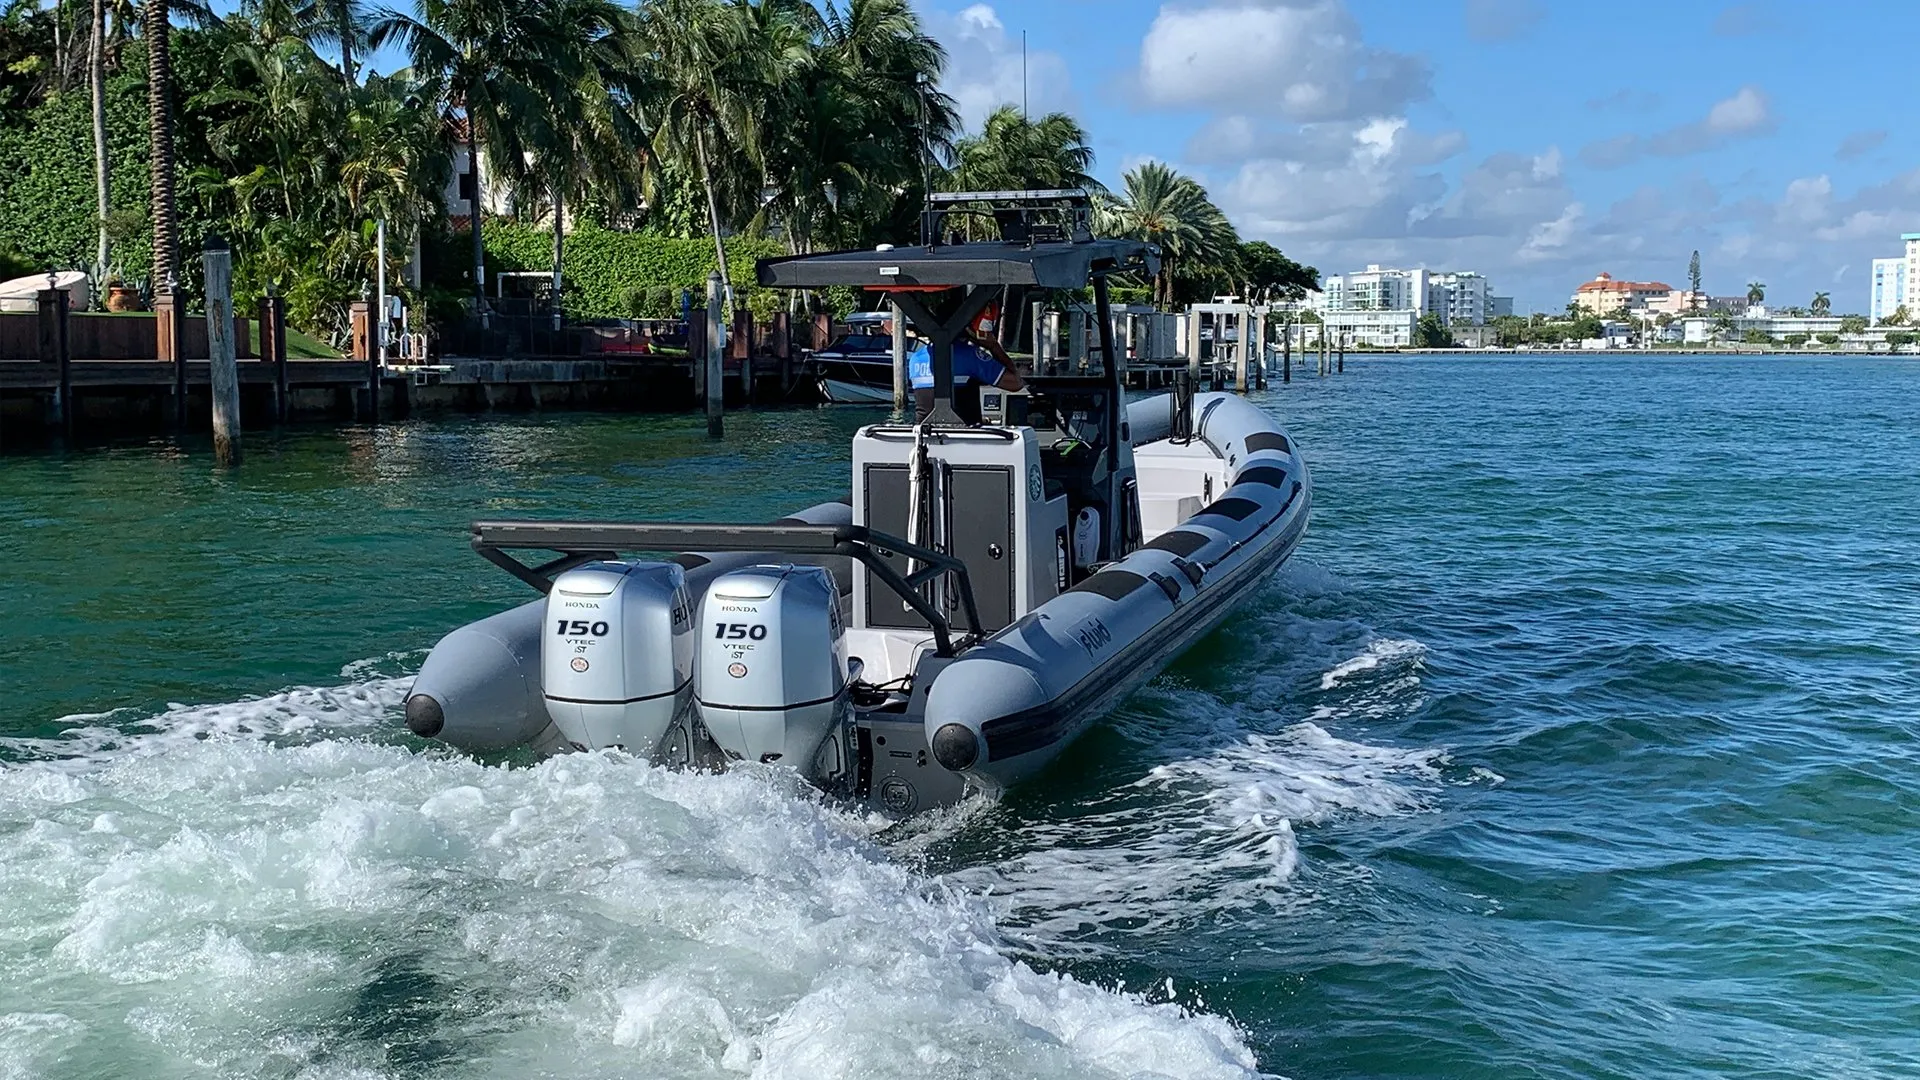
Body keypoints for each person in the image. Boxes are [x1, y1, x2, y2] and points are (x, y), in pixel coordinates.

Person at [906, 306, 1023, 422]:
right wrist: (993, 346)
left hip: (925, 434)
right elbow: (1016, 383)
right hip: (965, 435)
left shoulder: (915, 358)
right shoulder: (970, 356)